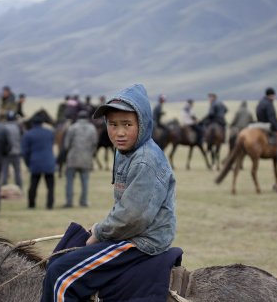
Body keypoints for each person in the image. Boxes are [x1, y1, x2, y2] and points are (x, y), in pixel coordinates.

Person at [41, 83, 177, 302]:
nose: (119, 132)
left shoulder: (145, 160)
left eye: (127, 124)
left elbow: (133, 217)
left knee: (60, 276)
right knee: (62, 253)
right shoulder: (125, 151)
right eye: (112, 124)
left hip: (142, 241)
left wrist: (99, 233)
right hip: (131, 233)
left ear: (142, 124)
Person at [63, 110, 98, 207]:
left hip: (72, 158)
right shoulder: (92, 128)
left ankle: (69, 202)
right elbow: (94, 144)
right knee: (85, 182)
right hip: (86, 158)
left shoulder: (72, 128)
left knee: (70, 181)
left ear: (77, 118)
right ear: (87, 118)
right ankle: (83, 202)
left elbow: (66, 144)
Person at [21, 115, 56, 209]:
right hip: (49, 162)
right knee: (50, 186)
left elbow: (25, 151)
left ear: (32, 124)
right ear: (42, 123)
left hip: (35, 162)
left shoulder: (28, 134)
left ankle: (31, 204)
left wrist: (28, 163)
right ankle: (50, 204)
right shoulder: (49, 132)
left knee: (33, 185)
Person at [256, 87, 277, 160]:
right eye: (273, 95)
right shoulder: (269, 104)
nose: (273, 97)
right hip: (268, 124)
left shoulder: (261, 102)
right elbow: (272, 118)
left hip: (260, 123)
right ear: (271, 95)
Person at [0, 111, 23, 189]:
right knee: (17, 173)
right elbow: (21, 139)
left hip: (5, 153)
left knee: (5, 173)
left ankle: (3, 189)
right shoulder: (18, 126)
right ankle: (19, 188)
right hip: (16, 153)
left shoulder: (3, 127)